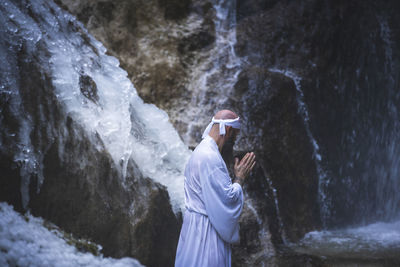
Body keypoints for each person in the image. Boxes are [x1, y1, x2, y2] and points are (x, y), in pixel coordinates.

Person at [175, 110, 256, 267]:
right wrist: (239, 178)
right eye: (235, 136)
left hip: (192, 229)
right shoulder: (210, 157)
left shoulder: (201, 150)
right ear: (228, 130)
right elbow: (227, 200)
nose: (234, 141)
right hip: (206, 235)